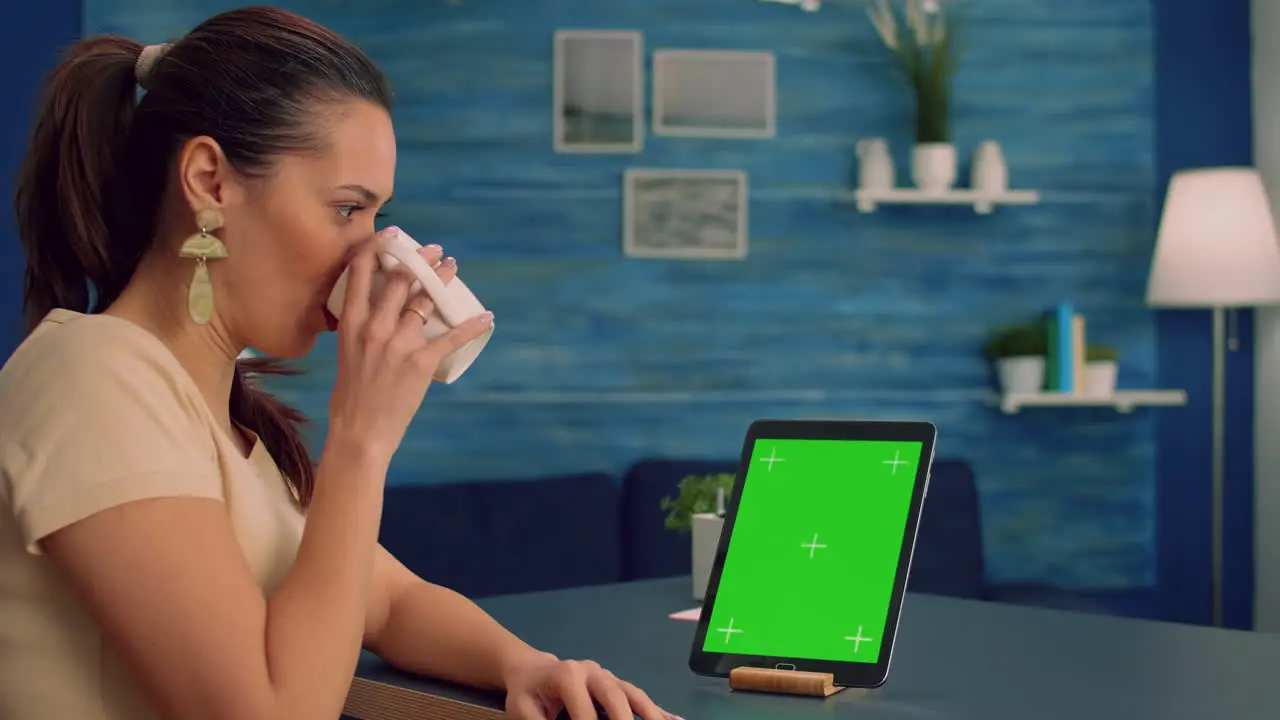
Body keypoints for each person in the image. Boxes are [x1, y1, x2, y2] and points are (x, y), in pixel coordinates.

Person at [0, 6, 679, 720]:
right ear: (209, 181)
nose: (369, 251)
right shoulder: (93, 379)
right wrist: (362, 439)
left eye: (377, 216)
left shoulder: (226, 419)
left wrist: (527, 665)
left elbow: (390, 600)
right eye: (347, 209)